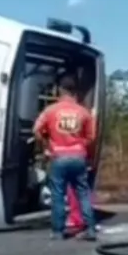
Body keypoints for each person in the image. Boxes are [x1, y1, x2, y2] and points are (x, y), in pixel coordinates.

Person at [33, 75, 97, 241]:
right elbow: (91, 137)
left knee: (58, 195)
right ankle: (90, 229)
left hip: (59, 156)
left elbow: (36, 130)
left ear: (60, 90)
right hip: (78, 156)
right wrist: (79, 144)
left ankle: (58, 231)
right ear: (74, 92)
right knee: (83, 193)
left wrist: (47, 144)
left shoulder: (51, 110)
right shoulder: (83, 112)